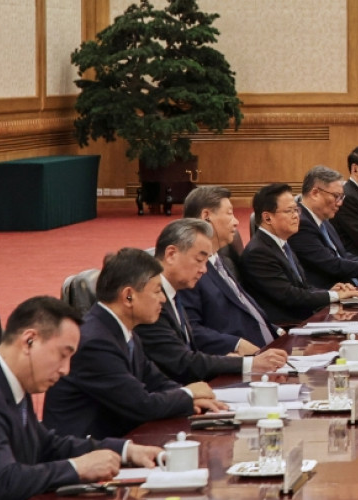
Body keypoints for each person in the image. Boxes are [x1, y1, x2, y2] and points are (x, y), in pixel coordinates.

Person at [43, 249, 227, 440]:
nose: (163, 299)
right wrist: (188, 394)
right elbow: (141, 404)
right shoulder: (95, 342)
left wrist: (196, 397)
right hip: (85, 452)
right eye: (157, 291)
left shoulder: (124, 330)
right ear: (129, 296)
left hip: (119, 437)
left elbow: (156, 381)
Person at [0, 297, 165, 498]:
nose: (65, 370)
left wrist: (124, 451)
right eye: (62, 354)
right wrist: (76, 468)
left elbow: (47, 446)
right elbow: (2, 481)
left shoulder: (15, 384)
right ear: (29, 341)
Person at [138, 219, 288, 385]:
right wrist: (248, 363)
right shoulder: (149, 301)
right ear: (171, 254)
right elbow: (180, 362)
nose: (204, 269)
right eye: (199, 260)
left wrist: (227, 361)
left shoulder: (174, 292)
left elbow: (189, 354)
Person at [239, 183, 358, 325]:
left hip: (304, 317)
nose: (296, 216)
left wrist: (328, 291)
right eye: (289, 211)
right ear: (268, 218)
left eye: (296, 210)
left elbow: (302, 287)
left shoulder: (282, 243)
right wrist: (334, 296)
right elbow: (290, 296)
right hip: (288, 327)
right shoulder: (259, 253)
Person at [176, 186, 284, 351]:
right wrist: (236, 345)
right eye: (229, 213)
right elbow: (191, 331)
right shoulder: (188, 270)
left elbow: (245, 310)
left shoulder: (220, 260)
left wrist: (277, 330)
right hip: (241, 363)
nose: (236, 221)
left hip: (272, 350)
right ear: (206, 216)